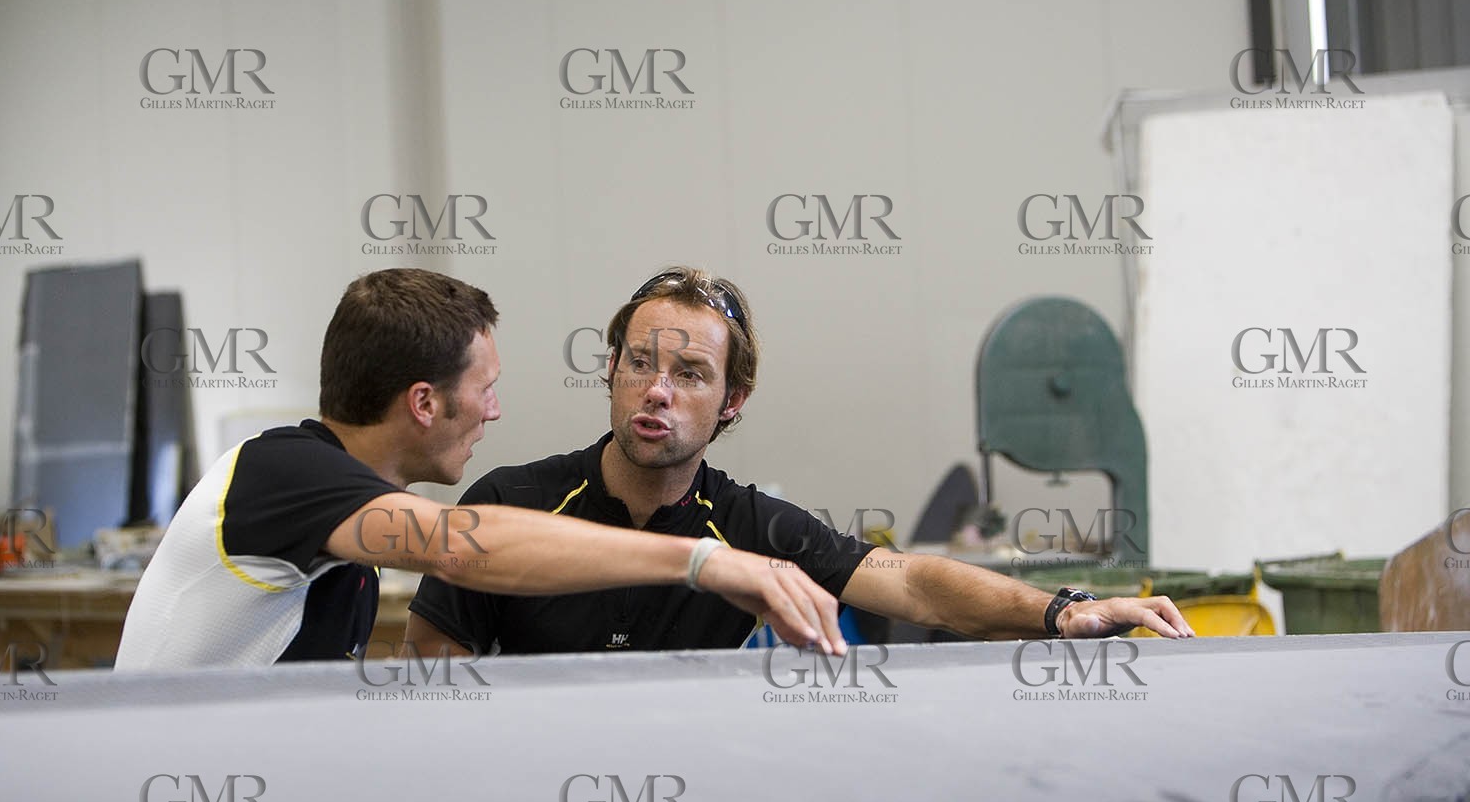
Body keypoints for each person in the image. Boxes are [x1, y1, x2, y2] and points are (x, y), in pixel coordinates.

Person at [404, 265, 1194, 656]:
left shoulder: (753, 527)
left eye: (691, 374)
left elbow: (915, 583)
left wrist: (1061, 609)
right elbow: (431, 685)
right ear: (610, 370)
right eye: (640, 362)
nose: (657, 390)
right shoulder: (507, 504)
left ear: (733, 400)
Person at [114, 268, 845, 670]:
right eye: (485, 389)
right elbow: (463, 545)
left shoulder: (340, 522)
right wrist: (705, 563)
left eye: (690, 374)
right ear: (425, 402)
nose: (494, 411)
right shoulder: (283, 472)